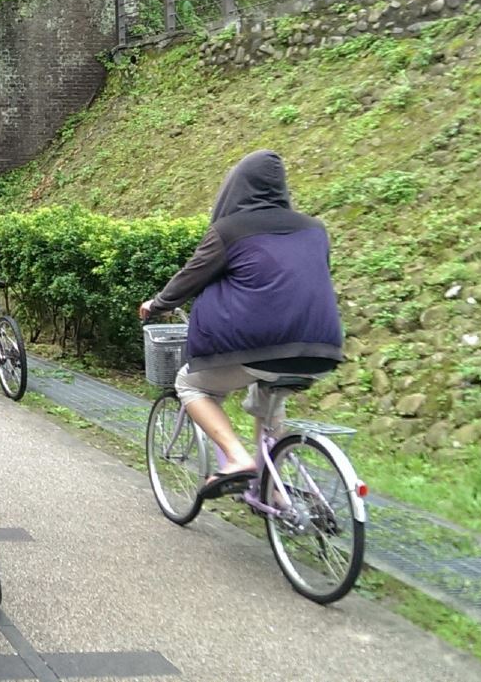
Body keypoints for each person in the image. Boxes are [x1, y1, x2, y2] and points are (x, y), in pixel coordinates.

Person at [139, 150, 344, 494]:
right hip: (321, 347)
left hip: (261, 345)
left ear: (235, 188)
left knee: (191, 385)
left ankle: (237, 459)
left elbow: (190, 278)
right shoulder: (315, 229)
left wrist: (156, 305)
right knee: (268, 399)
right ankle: (273, 493)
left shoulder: (230, 230)